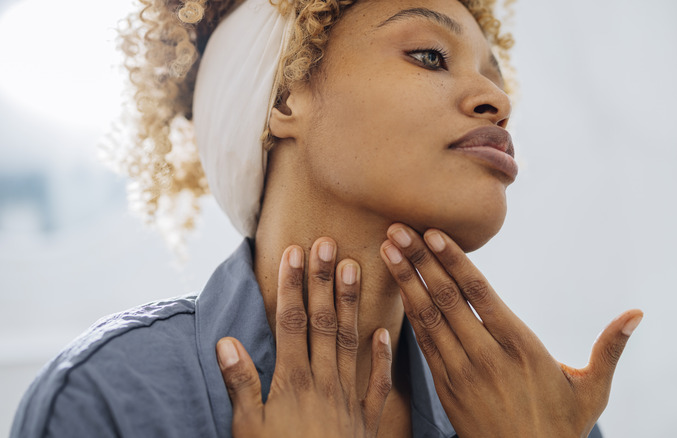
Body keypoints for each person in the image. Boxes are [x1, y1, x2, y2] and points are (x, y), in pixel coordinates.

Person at [11, 0, 642, 436]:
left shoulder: (540, 419)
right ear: (285, 96)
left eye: (493, 76)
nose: (497, 101)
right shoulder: (111, 398)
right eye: (429, 55)